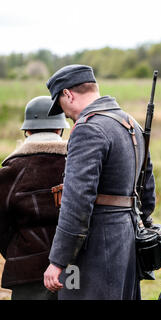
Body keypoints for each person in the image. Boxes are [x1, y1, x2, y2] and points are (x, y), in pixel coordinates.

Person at [42, 64, 156, 299]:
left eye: (61, 106)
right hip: (127, 239)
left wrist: (58, 260)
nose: (64, 114)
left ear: (68, 94)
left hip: (96, 246)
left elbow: (77, 200)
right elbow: (147, 191)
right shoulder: (130, 124)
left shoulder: (88, 128)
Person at [0, 96, 69, 300]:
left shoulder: (9, 173)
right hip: (75, 270)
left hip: (26, 271)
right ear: (60, 130)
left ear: (27, 131)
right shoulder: (78, 166)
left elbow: (1, 228)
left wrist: (18, 252)